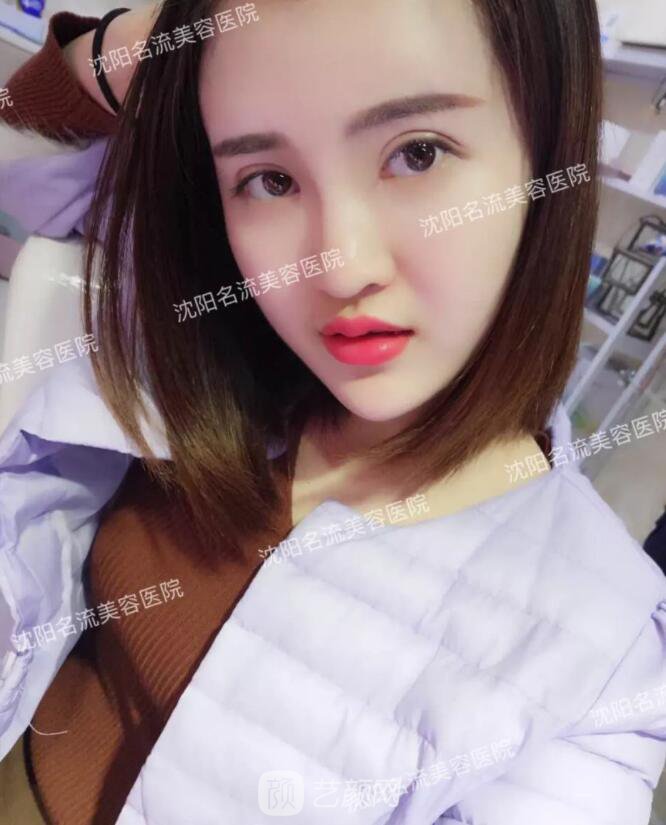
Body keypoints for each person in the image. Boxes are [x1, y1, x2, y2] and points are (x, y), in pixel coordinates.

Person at [0, 2, 665, 824]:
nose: (340, 267)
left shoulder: (599, 652)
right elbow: (23, 143)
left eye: (418, 153)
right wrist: (176, 34)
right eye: (269, 179)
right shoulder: (209, 341)